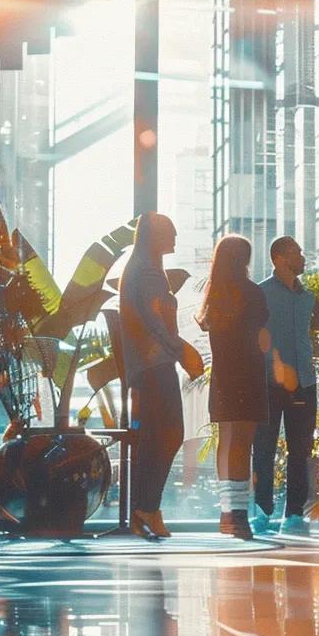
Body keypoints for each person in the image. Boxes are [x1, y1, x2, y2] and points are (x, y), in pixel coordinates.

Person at [119, 213, 205, 539]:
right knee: (169, 434)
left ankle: (149, 510)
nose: (176, 236)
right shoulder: (147, 272)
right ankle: (146, 509)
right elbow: (156, 325)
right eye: (170, 231)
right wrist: (183, 351)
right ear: (154, 236)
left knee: (157, 438)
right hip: (154, 365)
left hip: (149, 365)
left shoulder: (141, 268)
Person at [197, 235, 270, 540]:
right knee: (243, 443)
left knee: (226, 443)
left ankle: (228, 512)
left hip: (223, 377)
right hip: (249, 374)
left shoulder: (213, 295)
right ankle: (239, 516)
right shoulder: (252, 294)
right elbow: (263, 339)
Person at [252, 236, 319, 536]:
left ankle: (293, 514)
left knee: (300, 450)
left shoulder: (308, 297)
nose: (302, 257)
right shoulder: (261, 294)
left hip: (305, 382)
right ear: (279, 257)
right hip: (269, 384)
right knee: (263, 449)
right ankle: (262, 513)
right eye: (296, 253)